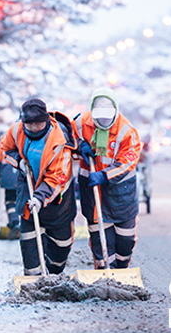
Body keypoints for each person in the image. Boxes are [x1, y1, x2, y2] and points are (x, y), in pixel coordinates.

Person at [1, 98, 77, 275]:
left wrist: (40, 197)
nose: (34, 128)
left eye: (39, 124)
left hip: (59, 201)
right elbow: (7, 149)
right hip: (28, 188)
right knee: (29, 245)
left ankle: (54, 273)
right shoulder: (16, 130)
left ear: (47, 120)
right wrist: (19, 162)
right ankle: (34, 281)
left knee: (60, 253)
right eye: (30, 125)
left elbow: (57, 177)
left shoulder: (59, 142)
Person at [74, 88, 141, 269]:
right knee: (99, 238)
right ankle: (103, 271)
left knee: (125, 241)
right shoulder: (81, 123)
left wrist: (105, 175)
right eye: (99, 117)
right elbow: (66, 138)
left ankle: (121, 268)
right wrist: (79, 146)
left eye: (107, 117)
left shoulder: (126, 131)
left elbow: (128, 161)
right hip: (92, 189)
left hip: (121, 191)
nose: (103, 121)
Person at [0, 135, 20, 240]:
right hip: (22, 172)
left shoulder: (5, 137)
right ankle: (26, 225)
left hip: (7, 172)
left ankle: (14, 222)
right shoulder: (29, 136)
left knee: (10, 200)